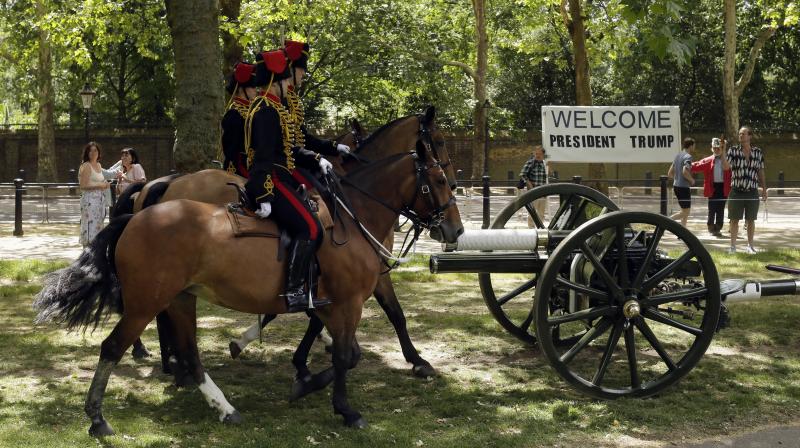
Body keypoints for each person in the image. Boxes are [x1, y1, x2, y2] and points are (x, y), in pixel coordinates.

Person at [244, 49, 332, 312]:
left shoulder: (272, 108)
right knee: (311, 228)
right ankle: (293, 291)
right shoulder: (266, 111)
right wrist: (264, 194)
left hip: (280, 178)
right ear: (277, 81)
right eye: (285, 82)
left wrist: (316, 158)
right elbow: (261, 156)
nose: (289, 86)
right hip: (272, 181)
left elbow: (288, 150)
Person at [283, 40, 350, 158]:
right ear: (290, 68)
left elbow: (305, 138)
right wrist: (314, 158)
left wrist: (334, 146)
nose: (303, 73)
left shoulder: (292, 98)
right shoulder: (280, 100)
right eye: (301, 69)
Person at [722, 126, 766, 254]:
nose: (741, 136)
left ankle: (750, 246)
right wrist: (723, 151)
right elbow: (726, 167)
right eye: (740, 134)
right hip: (736, 190)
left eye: (743, 134)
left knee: (751, 220)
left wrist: (764, 188)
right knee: (734, 219)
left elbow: (761, 171)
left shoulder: (758, 152)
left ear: (750, 136)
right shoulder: (733, 150)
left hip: (752, 191)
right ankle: (732, 247)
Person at [222, 61, 258, 177]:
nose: (256, 90)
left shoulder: (252, 111)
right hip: (239, 169)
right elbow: (233, 154)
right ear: (242, 89)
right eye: (252, 87)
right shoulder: (234, 115)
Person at [691, 137, 731, 237]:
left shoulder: (726, 160)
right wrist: (687, 163)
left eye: (719, 148)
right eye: (715, 148)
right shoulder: (708, 160)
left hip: (723, 187)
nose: (716, 150)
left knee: (720, 208)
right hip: (712, 186)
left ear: (722, 149)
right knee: (712, 208)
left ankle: (718, 227)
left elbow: (729, 169)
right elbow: (697, 165)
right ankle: (710, 226)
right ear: (712, 149)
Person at [78, 142, 111, 246]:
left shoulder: (98, 165)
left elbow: (98, 180)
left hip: (99, 200)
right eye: (90, 150)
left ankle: (95, 251)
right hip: (89, 201)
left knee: (98, 226)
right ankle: (87, 252)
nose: (93, 153)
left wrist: (105, 184)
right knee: (89, 227)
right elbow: (83, 185)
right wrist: (101, 185)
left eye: (95, 150)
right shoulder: (86, 165)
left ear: (99, 152)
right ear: (87, 153)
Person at [516, 145, 548, 226]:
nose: (537, 155)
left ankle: (540, 228)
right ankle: (530, 228)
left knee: (541, 212)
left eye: (539, 154)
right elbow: (523, 174)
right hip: (533, 191)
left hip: (543, 191)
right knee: (532, 212)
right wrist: (529, 183)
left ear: (543, 154)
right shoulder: (531, 162)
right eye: (536, 153)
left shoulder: (545, 163)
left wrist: (550, 167)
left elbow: (549, 175)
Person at [667, 137, 695, 227]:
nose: (694, 148)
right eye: (694, 146)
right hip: (683, 187)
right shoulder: (688, 157)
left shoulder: (677, 156)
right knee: (686, 212)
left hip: (676, 186)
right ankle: (666, 221)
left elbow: (670, 173)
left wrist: (677, 179)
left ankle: (683, 231)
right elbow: (685, 171)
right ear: (691, 146)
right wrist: (691, 180)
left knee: (684, 210)